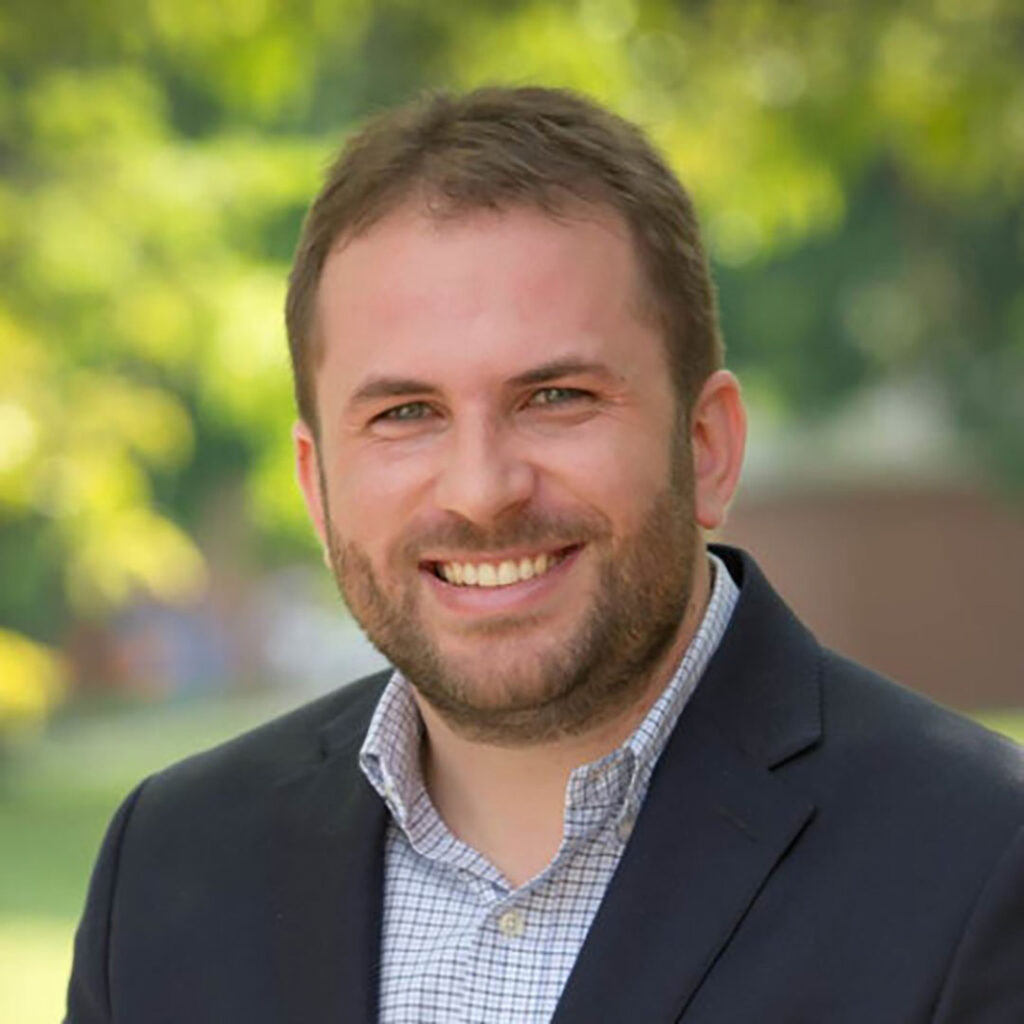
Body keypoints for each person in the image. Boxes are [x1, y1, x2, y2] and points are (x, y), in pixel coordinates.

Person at [66, 86, 1024, 1024]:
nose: (482, 490)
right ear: (317, 488)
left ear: (708, 447)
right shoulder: (167, 865)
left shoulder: (982, 863)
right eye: (406, 414)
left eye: (556, 397)